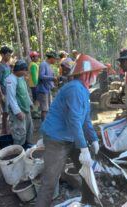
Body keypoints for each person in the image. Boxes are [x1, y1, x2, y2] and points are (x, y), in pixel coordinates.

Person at [35, 54, 104, 207]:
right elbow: (74, 121)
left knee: (86, 171)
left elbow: (85, 119)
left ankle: (88, 201)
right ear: (87, 74)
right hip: (56, 139)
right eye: (96, 73)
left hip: (71, 137)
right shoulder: (75, 89)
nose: (97, 76)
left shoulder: (83, 90)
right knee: (50, 180)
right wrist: (84, 148)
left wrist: (93, 139)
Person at [6, 60, 34, 148]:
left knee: (29, 128)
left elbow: (25, 92)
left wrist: (30, 103)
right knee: (20, 132)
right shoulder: (10, 79)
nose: (26, 72)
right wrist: (17, 112)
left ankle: (27, 145)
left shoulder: (21, 78)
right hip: (19, 110)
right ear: (19, 70)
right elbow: (11, 98)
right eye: (25, 70)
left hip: (25, 108)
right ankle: (18, 149)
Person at [0, 46, 13, 135]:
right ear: (2, 55)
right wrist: (1, 94)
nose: (9, 57)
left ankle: (7, 130)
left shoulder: (7, 65)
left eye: (10, 55)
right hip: (4, 91)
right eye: (8, 55)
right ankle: (5, 131)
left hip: (9, 91)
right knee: (5, 112)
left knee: (8, 112)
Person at [36, 51, 58, 121]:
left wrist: (53, 84)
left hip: (47, 89)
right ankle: (44, 126)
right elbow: (41, 76)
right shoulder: (43, 64)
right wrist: (52, 78)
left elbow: (48, 78)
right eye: (55, 59)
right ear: (51, 58)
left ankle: (47, 124)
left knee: (48, 108)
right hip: (42, 90)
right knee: (44, 109)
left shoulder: (49, 66)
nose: (55, 60)